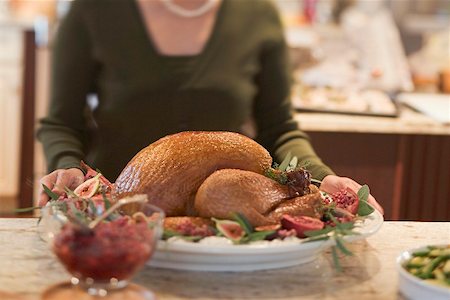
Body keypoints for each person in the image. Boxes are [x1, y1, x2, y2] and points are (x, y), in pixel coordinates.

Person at [37, 0, 383, 213]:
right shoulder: (94, 10)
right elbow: (61, 123)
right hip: (117, 214)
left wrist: (323, 177)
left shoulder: (258, 14)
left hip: (234, 218)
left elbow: (279, 127)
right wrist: (67, 168)